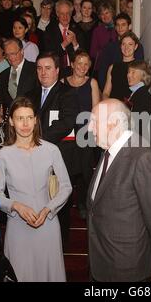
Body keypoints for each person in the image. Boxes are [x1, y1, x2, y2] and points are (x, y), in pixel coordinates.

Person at [87, 99, 151, 282]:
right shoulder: (108, 152)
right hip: (99, 265)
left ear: (114, 123)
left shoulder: (142, 158)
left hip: (126, 271)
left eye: (94, 121)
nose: (90, 128)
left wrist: (139, 255)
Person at [0, 96, 71, 282]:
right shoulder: (2, 155)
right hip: (18, 226)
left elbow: (66, 186)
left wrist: (49, 209)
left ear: (36, 120)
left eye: (29, 117)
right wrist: (16, 206)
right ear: (11, 121)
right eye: (20, 118)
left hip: (48, 224)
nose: (25, 124)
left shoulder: (51, 150)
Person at [27, 52, 78, 247]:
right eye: (39, 68)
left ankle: (60, 247)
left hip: (59, 160)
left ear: (57, 70)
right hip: (32, 160)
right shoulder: (30, 94)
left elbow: (67, 122)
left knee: (59, 207)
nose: (43, 72)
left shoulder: (67, 93)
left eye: (48, 68)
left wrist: (35, 139)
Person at [63, 50, 100, 219]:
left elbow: (96, 109)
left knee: (85, 171)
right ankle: (66, 202)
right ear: (72, 64)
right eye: (79, 63)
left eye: (86, 64)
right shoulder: (63, 82)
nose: (83, 67)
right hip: (67, 133)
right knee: (67, 169)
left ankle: (84, 204)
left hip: (86, 131)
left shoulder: (92, 82)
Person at [0, 38, 37, 109]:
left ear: (22, 51)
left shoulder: (34, 69)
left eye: (13, 54)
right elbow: (1, 99)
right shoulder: (3, 75)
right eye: (7, 55)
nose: (10, 58)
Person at [102, 31, 140, 101]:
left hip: (131, 108)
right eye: (123, 44)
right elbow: (106, 93)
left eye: (130, 44)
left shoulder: (139, 66)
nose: (126, 47)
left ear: (136, 46)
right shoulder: (112, 67)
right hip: (114, 107)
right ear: (120, 46)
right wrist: (109, 104)